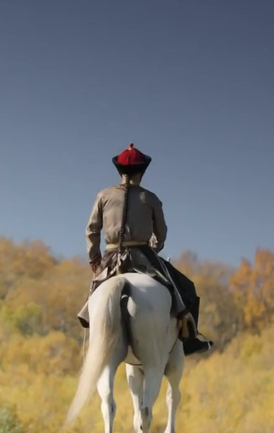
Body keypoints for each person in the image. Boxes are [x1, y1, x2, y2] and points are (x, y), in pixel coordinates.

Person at [77, 143, 214, 357]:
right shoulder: (151, 199)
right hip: (144, 256)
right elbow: (161, 234)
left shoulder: (103, 195)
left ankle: (90, 330)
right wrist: (155, 248)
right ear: (142, 171)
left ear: (120, 171)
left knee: (96, 291)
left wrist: (94, 259)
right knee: (185, 287)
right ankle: (190, 339)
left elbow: (91, 230)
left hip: (110, 257)